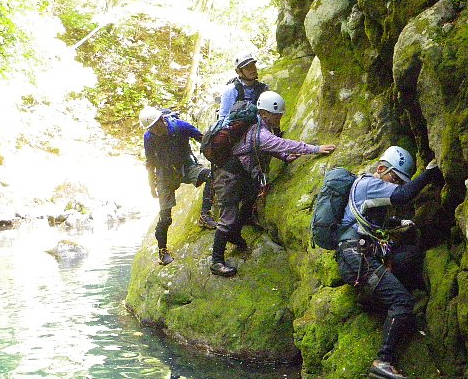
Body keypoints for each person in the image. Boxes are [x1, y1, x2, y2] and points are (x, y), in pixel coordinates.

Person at [335, 146, 442, 379]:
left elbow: (373, 221)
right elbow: (404, 195)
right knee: (403, 303)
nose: (394, 184)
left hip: (362, 255)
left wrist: (399, 223)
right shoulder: (369, 184)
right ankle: (383, 361)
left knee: (411, 255)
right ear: (382, 169)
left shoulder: (370, 192)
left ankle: (374, 297)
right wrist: (429, 174)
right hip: (357, 258)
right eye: (394, 178)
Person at [210, 91, 336, 277]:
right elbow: (283, 144)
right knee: (228, 216)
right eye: (276, 115)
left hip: (239, 174)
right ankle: (216, 261)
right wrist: (316, 149)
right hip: (228, 176)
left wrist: (284, 158)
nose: (279, 118)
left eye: (280, 115)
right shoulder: (261, 133)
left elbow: (269, 149)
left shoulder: (260, 128)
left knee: (251, 197)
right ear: (264, 114)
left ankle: (235, 234)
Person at [197, 53, 271, 231]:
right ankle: (205, 213)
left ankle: (248, 212)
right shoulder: (232, 90)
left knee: (252, 173)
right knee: (220, 171)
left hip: (253, 134)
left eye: (253, 66)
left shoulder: (263, 88)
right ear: (239, 71)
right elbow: (224, 116)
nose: (252, 70)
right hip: (233, 134)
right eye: (248, 67)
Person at [140, 106, 210, 266]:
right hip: (165, 175)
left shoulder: (179, 126)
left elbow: (202, 138)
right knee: (165, 217)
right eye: (151, 128)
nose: (155, 130)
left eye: (156, 125)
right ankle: (162, 250)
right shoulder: (149, 137)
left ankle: (205, 215)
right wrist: (152, 185)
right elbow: (150, 162)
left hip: (186, 167)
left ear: (162, 120)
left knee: (210, 176)